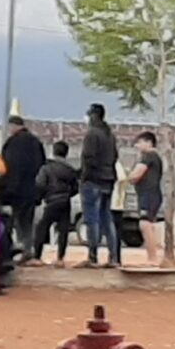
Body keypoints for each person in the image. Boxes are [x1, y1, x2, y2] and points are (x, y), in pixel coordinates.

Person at [79, 103, 119, 268]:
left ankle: (93, 256)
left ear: (93, 115)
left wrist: (84, 178)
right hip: (108, 179)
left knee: (92, 219)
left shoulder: (91, 134)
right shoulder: (109, 134)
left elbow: (88, 158)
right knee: (107, 219)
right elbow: (115, 156)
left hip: (93, 180)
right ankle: (113, 257)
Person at [0, 116, 46, 257]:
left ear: (14, 126)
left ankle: (22, 248)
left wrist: (6, 190)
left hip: (16, 190)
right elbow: (41, 164)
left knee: (18, 220)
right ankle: (28, 248)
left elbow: (9, 167)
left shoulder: (12, 143)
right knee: (28, 220)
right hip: (32, 188)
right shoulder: (35, 141)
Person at [31, 141, 79, 266]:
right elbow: (76, 187)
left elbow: (40, 184)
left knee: (42, 227)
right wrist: (68, 195)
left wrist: (39, 198)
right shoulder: (70, 170)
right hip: (65, 201)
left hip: (52, 201)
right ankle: (60, 258)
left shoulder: (47, 168)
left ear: (53, 151)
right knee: (63, 230)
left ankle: (37, 256)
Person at [130, 131, 165, 266]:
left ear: (149, 142)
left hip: (149, 195)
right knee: (148, 224)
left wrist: (126, 179)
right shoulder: (153, 157)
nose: (137, 146)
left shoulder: (149, 156)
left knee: (145, 224)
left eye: (139, 142)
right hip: (149, 194)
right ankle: (152, 257)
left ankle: (152, 259)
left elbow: (136, 174)